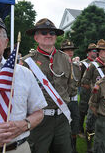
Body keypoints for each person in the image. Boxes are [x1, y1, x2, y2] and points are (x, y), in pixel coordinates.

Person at [21, 18, 72, 153]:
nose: (48, 35)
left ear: (56, 37)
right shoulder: (27, 62)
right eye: (44, 32)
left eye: (52, 33)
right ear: (36, 37)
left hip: (62, 118)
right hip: (39, 120)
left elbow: (69, 86)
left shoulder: (65, 59)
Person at [0, 18, 47, 153]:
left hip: (18, 148)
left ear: (6, 42)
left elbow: (38, 112)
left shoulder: (23, 73)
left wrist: (25, 124)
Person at [81, 39, 105, 153]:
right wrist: (94, 91)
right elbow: (84, 81)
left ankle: (103, 145)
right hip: (95, 101)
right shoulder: (93, 65)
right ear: (98, 51)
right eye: (103, 50)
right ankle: (89, 147)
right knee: (90, 124)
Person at [60, 39, 82, 153]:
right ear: (62, 52)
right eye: (67, 50)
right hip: (62, 101)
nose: (70, 52)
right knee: (64, 125)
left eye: (71, 50)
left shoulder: (76, 66)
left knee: (75, 123)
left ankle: (73, 148)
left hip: (73, 100)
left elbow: (79, 81)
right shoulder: (57, 66)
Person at [78, 43, 97, 139]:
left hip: (94, 91)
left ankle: (91, 129)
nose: (96, 52)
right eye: (94, 50)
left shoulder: (98, 63)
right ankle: (80, 129)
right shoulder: (83, 63)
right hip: (86, 90)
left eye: (96, 50)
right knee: (83, 110)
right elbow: (80, 78)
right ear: (88, 52)